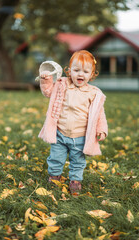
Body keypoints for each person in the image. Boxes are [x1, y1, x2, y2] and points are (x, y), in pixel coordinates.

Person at [38, 50, 108, 195]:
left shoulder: (94, 93)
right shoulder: (62, 84)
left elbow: (99, 114)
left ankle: (75, 180)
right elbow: (48, 92)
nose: (80, 74)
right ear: (69, 71)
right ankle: (55, 176)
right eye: (76, 70)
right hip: (60, 134)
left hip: (80, 137)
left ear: (92, 74)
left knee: (78, 161)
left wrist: (101, 129)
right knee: (56, 158)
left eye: (85, 71)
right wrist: (46, 80)